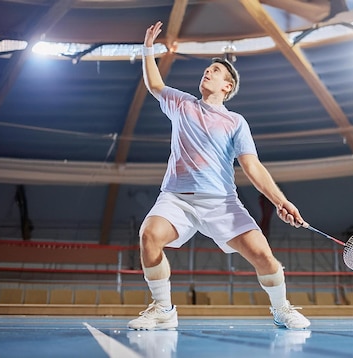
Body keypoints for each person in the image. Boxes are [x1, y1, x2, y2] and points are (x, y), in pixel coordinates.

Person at [127, 21, 310, 331]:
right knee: (149, 236)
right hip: (176, 198)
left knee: (263, 255)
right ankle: (163, 309)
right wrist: (148, 49)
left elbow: (252, 167)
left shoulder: (236, 122)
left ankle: (281, 309)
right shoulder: (182, 105)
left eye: (215, 71)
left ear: (227, 86)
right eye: (206, 70)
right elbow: (155, 85)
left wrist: (281, 201)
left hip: (221, 202)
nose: (207, 73)